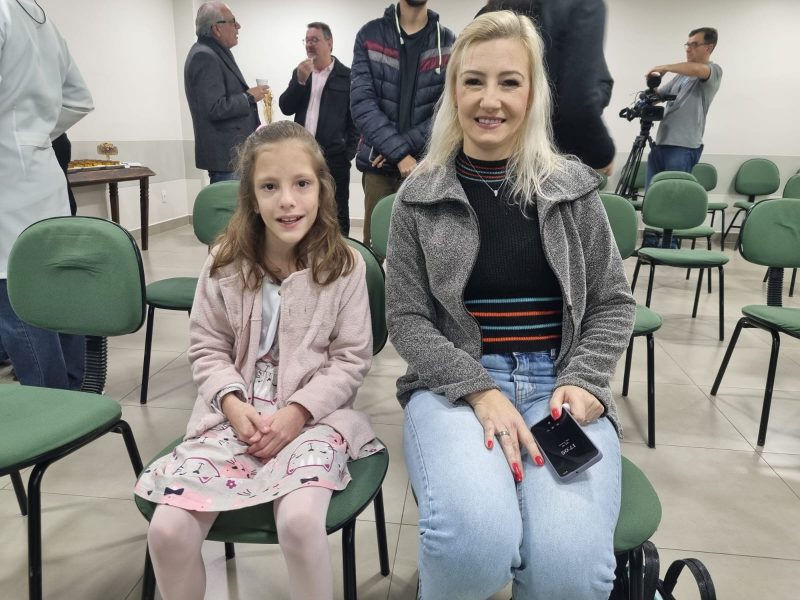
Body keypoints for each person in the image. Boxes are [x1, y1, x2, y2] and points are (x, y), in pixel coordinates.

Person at [385, 11, 635, 599]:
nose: (489, 100)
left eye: (509, 82)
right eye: (473, 81)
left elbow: (612, 303)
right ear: (453, 92)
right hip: (456, 389)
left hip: (559, 386)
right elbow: (408, 319)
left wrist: (585, 380)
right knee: (473, 541)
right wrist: (478, 387)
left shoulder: (572, 189)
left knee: (570, 570)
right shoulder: (418, 196)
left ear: (533, 93)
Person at [135, 120, 383, 600]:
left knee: (298, 523)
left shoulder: (345, 266)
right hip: (234, 417)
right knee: (166, 533)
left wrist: (296, 414)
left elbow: (352, 359)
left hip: (313, 418)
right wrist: (231, 403)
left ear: (321, 188)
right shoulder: (224, 262)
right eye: (270, 187)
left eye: (301, 184)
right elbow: (207, 347)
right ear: (250, 195)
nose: (287, 201)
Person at [0, 0, 92, 390]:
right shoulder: (42, 19)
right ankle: (75, 397)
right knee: (56, 293)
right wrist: (33, 134)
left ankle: (51, 410)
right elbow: (79, 99)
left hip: (7, 179)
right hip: (42, 173)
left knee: (15, 302)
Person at [350, 0, 455, 251]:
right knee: (378, 251)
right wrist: (398, 155)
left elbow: (449, 110)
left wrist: (398, 151)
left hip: (426, 166)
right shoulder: (370, 35)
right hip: (379, 169)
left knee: (425, 252)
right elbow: (361, 103)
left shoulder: (448, 42)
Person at [476, 0, 616, 174]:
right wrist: (601, 153)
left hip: (489, 160)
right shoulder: (582, 6)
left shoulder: (489, 12)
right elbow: (578, 104)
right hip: (552, 161)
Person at [279, 22, 359, 235]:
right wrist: (299, 82)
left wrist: (347, 153)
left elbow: (356, 120)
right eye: (307, 40)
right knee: (303, 205)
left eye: (315, 40)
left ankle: (342, 257)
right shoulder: (301, 73)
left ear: (329, 43)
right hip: (301, 156)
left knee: (337, 208)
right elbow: (285, 107)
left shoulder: (348, 76)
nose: (310, 45)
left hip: (334, 157)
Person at [185, 1, 264, 183]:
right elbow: (214, 107)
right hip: (226, 159)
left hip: (232, 157)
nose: (238, 26)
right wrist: (249, 97)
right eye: (232, 21)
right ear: (216, 28)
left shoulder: (214, 53)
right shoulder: (204, 56)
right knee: (230, 210)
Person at [645, 27, 722, 184]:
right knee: (652, 197)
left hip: (683, 146)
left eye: (694, 45)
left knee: (672, 199)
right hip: (660, 144)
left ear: (709, 47)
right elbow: (656, 97)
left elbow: (696, 69)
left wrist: (665, 67)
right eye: (687, 45)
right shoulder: (681, 76)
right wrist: (653, 84)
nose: (688, 50)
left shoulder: (714, 71)